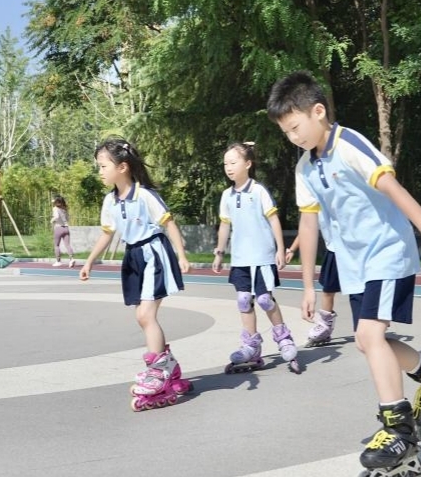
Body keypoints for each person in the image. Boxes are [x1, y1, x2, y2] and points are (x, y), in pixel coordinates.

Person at [267, 71, 421, 477]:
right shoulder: (306, 167)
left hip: (387, 254)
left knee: (369, 337)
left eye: (295, 128)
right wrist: (308, 284)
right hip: (354, 265)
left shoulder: (350, 144)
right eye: (285, 132)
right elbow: (308, 228)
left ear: (318, 112)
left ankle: (398, 429)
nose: (292, 137)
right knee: (369, 339)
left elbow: (393, 188)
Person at [79, 137, 193, 411]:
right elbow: (107, 233)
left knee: (145, 315)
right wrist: (90, 261)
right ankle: (168, 366)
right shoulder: (110, 201)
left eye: (103, 165)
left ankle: (157, 370)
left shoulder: (145, 195)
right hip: (133, 257)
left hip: (153, 253)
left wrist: (181, 254)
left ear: (123, 167)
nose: (100, 171)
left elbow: (170, 224)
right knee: (142, 315)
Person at [210, 141, 299, 373]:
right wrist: (220, 252)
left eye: (233, 162)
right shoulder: (226, 195)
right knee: (243, 300)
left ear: (248, 164)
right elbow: (225, 225)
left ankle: (284, 338)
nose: (228, 167)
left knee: (264, 300)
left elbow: (273, 219)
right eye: (225, 163)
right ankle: (251, 345)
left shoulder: (258, 191)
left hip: (262, 257)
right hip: (240, 259)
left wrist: (281, 248)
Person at [285, 219, 340, 347]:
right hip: (334, 251)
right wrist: (292, 250)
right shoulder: (318, 207)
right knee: (328, 290)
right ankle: (325, 326)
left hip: (356, 251)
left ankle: (375, 316)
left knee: (360, 290)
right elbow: (307, 227)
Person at [50, 195, 76, 268]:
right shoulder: (64, 209)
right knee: (67, 245)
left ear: (56, 202)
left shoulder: (55, 208)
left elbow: (56, 217)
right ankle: (71, 259)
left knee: (56, 245)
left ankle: (58, 261)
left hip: (58, 228)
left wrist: (52, 221)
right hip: (66, 228)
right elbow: (68, 218)